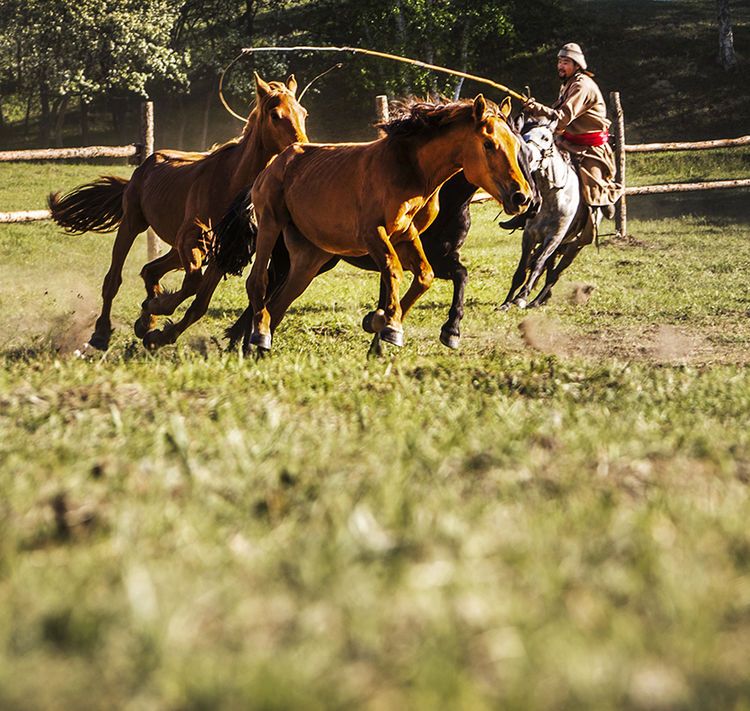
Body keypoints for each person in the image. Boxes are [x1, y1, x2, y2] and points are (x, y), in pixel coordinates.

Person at [503, 42, 621, 229]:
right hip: (566, 139)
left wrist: (536, 108)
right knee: (536, 160)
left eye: (565, 62)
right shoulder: (568, 84)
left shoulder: (582, 85)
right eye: (559, 62)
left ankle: (605, 197)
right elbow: (556, 114)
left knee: (594, 192)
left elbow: (563, 117)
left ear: (577, 65)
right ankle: (529, 209)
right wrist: (534, 109)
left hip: (589, 145)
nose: (560, 66)